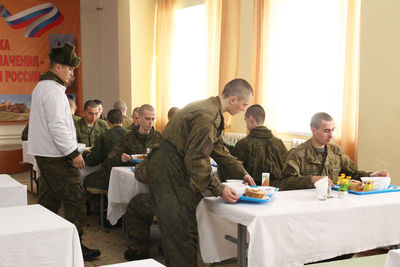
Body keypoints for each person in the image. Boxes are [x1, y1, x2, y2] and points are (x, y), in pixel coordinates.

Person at [134, 78, 256, 266]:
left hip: (169, 165)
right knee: (180, 231)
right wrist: (219, 188)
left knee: (182, 227)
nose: (243, 110)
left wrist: (242, 173)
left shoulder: (209, 108)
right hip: (169, 168)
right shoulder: (208, 117)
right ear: (233, 99)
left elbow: (218, 148)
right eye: (243, 105)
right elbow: (196, 160)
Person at [26, 42, 100, 260]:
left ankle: (41, 240)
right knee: (75, 198)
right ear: (57, 67)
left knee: (49, 200)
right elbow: (57, 126)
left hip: (47, 154)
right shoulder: (54, 91)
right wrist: (73, 153)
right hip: (57, 156)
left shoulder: (43, 87)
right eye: (69, 69)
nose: (72, 74)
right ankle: (74, 247)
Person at [279, 112, 389, 190]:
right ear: (313, 130)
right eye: (327, 131)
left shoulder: (336, 151)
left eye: (332, 130)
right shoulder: (298, 154)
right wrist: (312, 179)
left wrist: (372, 175)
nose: (331, 135)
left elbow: (352, 173)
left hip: (333, 202)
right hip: (306, 204)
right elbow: (284, 183)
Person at [84, 104, 161, 191]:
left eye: (153, 119)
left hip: (153, 179)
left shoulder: (159, 137)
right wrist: (121, 159)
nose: (151, 122)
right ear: (139, 118)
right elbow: (110, 160)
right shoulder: (128, 137)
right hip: (132, 178)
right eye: (147, 119)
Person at [219, 104, 287, 186]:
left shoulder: (244, 144)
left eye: (246, 120)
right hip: (276, 190)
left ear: (251, 119)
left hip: (251, 191)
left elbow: (231, 171)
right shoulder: (279, 143)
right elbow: (286, 169)